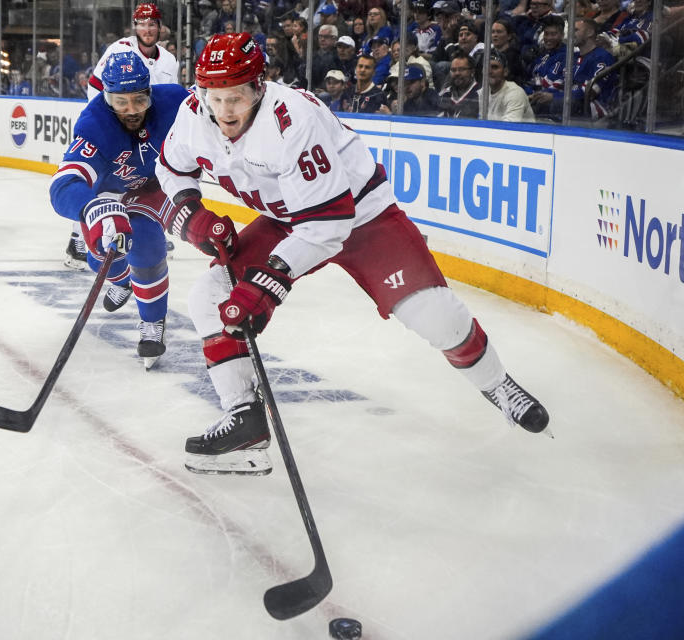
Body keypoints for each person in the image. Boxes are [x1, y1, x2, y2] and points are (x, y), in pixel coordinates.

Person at [155, 33, 550, 475]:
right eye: (216, 97)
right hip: (289, 217)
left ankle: (497, 385)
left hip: (361, 216)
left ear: (259, 87)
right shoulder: (194, 113)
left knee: (435, 316)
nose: (225, 110)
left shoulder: (291, 120)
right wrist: (192, 216)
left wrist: (265, 288)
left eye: (237, 97)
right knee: (210, 294)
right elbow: (171, 169)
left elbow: (329, 224)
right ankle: (244, 420)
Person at [49, 52, 188, 367]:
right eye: (120, 101)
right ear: (106, 96)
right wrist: (93, 208)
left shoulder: (177, 101)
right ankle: (121, 279)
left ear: (149, 92)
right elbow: (63, 185)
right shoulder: (94, 124)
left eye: (139, 100)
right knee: (101, 255)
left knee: (148, 245)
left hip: (154, 185)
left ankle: (153, 324)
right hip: (109, 194)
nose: (131, 110)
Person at [63, 4, 180, 271]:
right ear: (134, 26)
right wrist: (107, 123)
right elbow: (96, 85)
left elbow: (166, 96)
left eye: (152, 24)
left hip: (147, 127)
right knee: (99, 183)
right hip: (113, 125)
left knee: (145, 180)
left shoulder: (170, 60)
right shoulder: (118, 50)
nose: (147, 29)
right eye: (142, 24)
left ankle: (149, 229)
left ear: (159, 27)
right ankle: (78, 239)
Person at [485, 50, 536, 121]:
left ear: (505, 72)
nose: (489, 71)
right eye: (486, 67)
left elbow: (508, 128)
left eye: (495, 67)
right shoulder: (482, 92)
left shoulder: (515, 93)